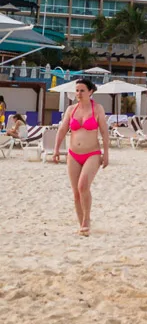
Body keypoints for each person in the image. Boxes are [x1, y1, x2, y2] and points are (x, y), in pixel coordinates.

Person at [53, 78, 110, 236]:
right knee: (76, 192)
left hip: (92, 153)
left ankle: (87, 220)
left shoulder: (97, 109)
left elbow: (104, 132)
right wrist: (56, 149)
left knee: (83, 186)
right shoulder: (71, 109)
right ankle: (82, 223)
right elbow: (62, 130)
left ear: (90, 92)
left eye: (82, 90)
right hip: (73, 154)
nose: (78, 93)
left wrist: (106, 153)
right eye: (77, 90)